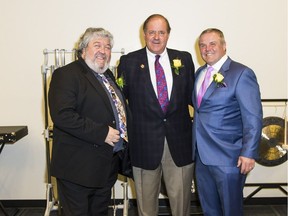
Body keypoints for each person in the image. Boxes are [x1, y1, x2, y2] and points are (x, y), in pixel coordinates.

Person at [117, 14, 195, 216]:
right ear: (144, 34)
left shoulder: (184, 59)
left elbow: (196, 98)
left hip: (179, 145)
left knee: (182, 204)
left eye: (161, 32)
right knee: (146, 206)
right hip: (143, 145)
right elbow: (117, 103)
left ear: (168, 34)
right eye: (152, 32)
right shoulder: (128, 62)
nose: (157, 37)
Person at [48, 27, 129, 216]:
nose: (103, 50)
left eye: (107, 47)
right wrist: (103, 133)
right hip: (77, 169)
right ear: (83, 50)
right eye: (97, 45)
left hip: (104, 167)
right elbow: (63, 115)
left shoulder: (107, 76)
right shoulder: (66, 74)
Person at [192, 28, 263, 216]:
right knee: (209, 210)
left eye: (212, 43)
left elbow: (253, 116)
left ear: (224, 46)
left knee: (231, 211)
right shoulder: (199, 73)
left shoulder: (241, 73)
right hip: (201, 157)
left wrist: (248, 153)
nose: (207, 49)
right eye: (202, 45)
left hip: (229, 158)